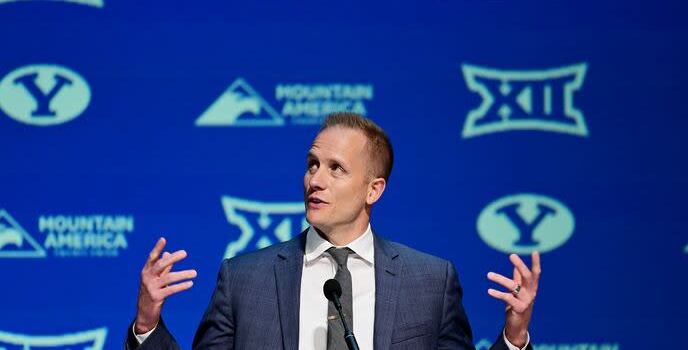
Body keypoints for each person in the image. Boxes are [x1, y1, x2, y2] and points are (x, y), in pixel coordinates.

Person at [126, 112, 540, 349]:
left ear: (373, 190)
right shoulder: (244, 280)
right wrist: (147, 323)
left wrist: (514, 338)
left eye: (335, 169)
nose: (315, 180)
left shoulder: (430, 282)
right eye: (311, 165)